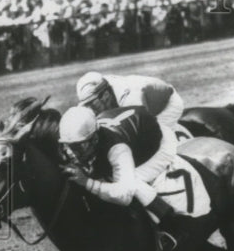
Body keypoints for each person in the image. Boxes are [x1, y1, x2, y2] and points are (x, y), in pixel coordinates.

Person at [58, 104, 194, 243]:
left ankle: (173, 228)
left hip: (158, 143)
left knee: (135, 184)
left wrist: (88, 183)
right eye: (67, 146)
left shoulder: (118, 149)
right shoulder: (75, 140)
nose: (71, 153)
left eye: (78, 146)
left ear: (94, 139)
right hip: (129, 128)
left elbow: (124, 196)